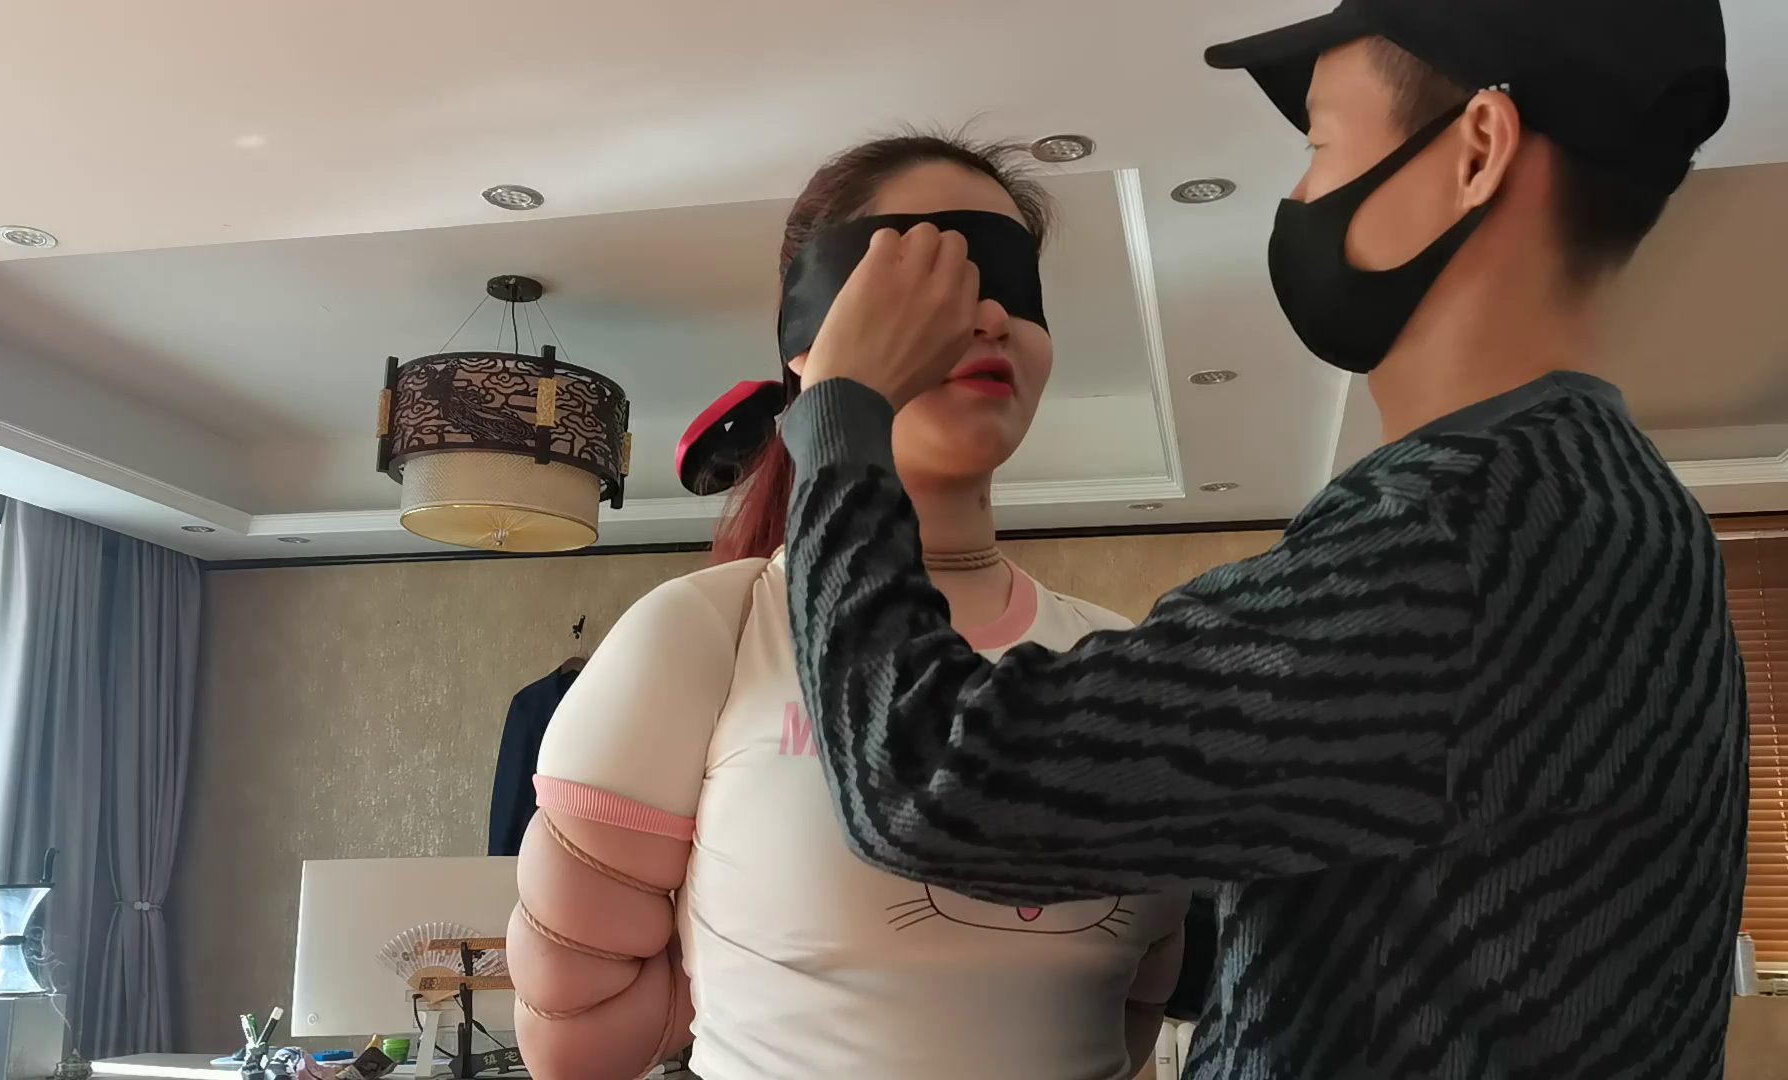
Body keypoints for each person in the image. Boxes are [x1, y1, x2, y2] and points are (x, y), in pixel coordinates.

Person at [773, 2, 1745, 1079]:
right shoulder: (1615, 511)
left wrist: (842, 410)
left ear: (1477, 150)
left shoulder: (1451, 541)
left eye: (1321, 145)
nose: (1302, 197)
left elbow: (925, 775)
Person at [505, 133, 1189, 1080]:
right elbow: (576, 1038)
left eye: (1010, 284)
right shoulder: (702, 637)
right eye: (927, 276)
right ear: (808, 338)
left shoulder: (1121, 655)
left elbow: (1136, 1014)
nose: (988, 315)